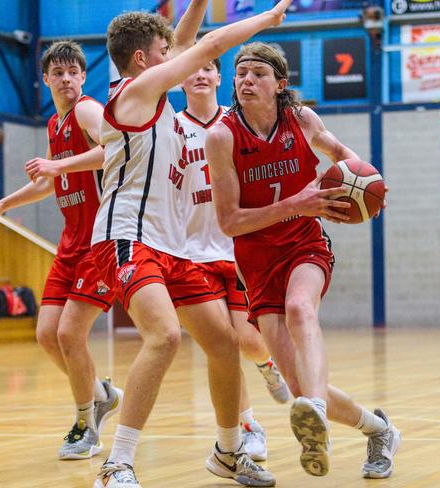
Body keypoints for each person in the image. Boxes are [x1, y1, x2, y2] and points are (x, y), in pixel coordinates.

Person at [87, 3, 290, 486]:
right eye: (164, 52)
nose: (177, 56)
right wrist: (267, 19)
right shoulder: (136, 93)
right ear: (142, 59)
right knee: (165, 336)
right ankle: (117, 461)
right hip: (125, 237)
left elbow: (183, 40)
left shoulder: (155, 97)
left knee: (224, 344)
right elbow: (208, 46)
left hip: (171, 248)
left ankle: (227, 448)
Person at [206, 42, 401, 479]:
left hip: (304, 245)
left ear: (280, 84)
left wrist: (364, 191)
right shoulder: (221, 137)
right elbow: (230, 221)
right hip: (256, 262)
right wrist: (298, 200)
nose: (246, 81)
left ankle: (313, 407)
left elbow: (347, 158)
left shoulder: (302, 119)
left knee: (300, 309)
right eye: (241, 74)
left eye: (257, 73)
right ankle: (379, 429)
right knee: (296, 385)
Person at [0, 41, 122, 460]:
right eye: (58, 73)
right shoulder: (55, 124)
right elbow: (48, 182)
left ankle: (85, 424)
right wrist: (1, 205)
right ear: (46, 79)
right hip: (71, 240)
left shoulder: (88, 110)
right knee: (46, 335)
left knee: (70, 333)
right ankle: (101, 395)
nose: (67, 78)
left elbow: (113, 149)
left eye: (74, 71)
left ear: (83, 76)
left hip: (100, 238)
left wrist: (57, 165)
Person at [176, 58, 290, 462]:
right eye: (193, 68)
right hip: (191, 253)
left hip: (238, 247)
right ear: (180, 77)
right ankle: (248, 425)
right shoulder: (171, 129)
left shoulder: (237, 122)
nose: (201, 74)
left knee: (249, 339)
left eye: (209, 67)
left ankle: (266, 364)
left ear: (219, 77)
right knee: (222, 344)